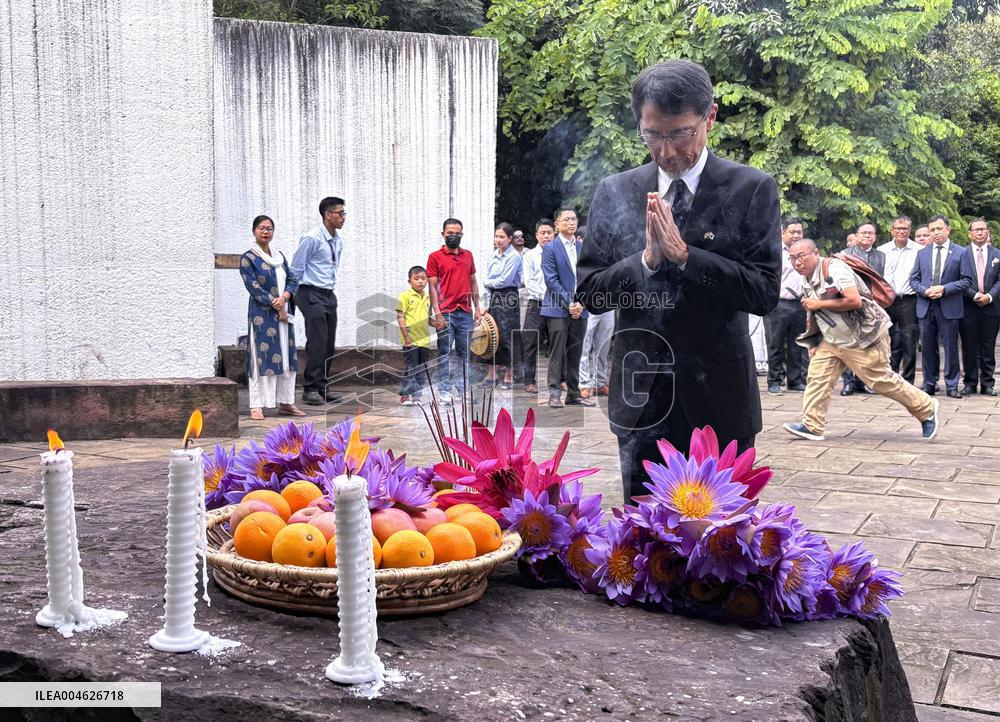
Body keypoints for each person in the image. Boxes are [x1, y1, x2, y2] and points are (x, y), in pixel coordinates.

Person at [576, 59, 781, 503]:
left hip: (719, 397)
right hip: (642, 397)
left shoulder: (751, 189)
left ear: (710, 116)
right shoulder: (617, 190)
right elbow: (590, 293)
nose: (666, 152)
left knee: (725, 545)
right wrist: (645, 262)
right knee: (644, 542)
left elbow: (764, 292)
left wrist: (688, 258)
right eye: (653, 135)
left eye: (680, 134)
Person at [782, 239, 937, 441]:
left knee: (881, 381)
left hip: (862, 335)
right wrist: (814, 340)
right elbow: (814, 310)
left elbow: (853, 301)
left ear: (816, 253)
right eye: (792, 258)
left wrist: (818, 303)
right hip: (832, 339)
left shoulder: (834, 269)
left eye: (801, 256)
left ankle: (926, 408)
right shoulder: (806, 278)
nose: (797, 262)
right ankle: (812, 425)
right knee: (818, 378)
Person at [240, 215, 304, 420]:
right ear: (254, 231)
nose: (266, 232)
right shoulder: (248, 258)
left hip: (284, 314)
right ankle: (257, 405)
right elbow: (252, 286)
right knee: (261, 359)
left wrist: (284, 298)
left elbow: (293, 279)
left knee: (286, 357)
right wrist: (273, 302)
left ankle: (286, 402)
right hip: (262, 315)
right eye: (261, 228)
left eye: (269, 228)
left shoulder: (279, 256)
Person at [290, 197, 345, 406]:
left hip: (328, 293)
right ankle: (310, 389)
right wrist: (290, 295)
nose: (343, 218)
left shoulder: (337, 240)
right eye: (340, 213)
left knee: (328, 344)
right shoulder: (312, 238)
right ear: (327, 214)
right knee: (318, 341)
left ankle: (323, 386)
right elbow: (296, 268)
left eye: (343, 213)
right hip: (309, 292)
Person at [910, 215, 972, 398]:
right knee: (928, 347)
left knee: (951, 347)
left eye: (939, 229)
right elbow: (913, 279)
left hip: (949, 305)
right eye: (932, 230)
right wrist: (924, 291)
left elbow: (966, 280)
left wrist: (944, 289)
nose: (936, 233)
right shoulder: (922, 253)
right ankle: (929, 383)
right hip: (926, 305)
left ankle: (952, 385)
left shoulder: (961, 252)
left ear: (948, 229)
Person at [542, 208, 596, 408]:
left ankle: (573, 394)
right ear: (557, 224)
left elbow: (590, 278)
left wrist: (581, 303)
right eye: (567, 220)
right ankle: (554, 393)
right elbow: (551, 280)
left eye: (574, 219)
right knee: (558, 352)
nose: (571, 223)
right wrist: (569, 303)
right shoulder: (550, 248)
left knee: (576, 351)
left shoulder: (583, 247)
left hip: (581, 308)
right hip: (557, 308)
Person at [427, 218, 480, 405]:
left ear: (462, 235)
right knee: (444, 353)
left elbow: (473, 282)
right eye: (450, 233)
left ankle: (463, 389)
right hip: (446, 312)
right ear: (443, 234)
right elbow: (432, 287)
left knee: (465, 353)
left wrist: (477, 309)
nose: (453, 236)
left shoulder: (468, 256)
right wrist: (437, 313)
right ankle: (444, 391)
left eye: (457, 233)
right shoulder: (435, 257)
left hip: (465, 312)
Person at [839, 222, 886, 396]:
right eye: (863, 233)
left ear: (875, 236)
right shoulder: (845, 255)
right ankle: (848, 382)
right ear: (856, 235)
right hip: (850, 304)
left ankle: (865, 381)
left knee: (868, 345)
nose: (867, 236)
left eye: (870, 233)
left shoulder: (881, 255)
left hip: (872, 306)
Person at [764, 217, 808, 395]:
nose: (796, 235)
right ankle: (774, 380)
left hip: (800, 303)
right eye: (792, 232)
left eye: (799, 231)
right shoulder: (774, 251)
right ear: (783, 232)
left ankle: (795, 380)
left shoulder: (807, 251)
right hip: (778, 304)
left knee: (797, 344)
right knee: (775, 344)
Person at [877, 215, 921, 384]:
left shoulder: (919, 250)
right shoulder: (882, 250)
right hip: (886, 301)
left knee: (909, 340)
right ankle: (888, 377)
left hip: (908, 300)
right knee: (885, 340)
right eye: (898, 228)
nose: (901, 231)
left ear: (910, 230)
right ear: (892, 230)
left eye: (905, 228)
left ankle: (908, 379)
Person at [959, 218, 1000, 396]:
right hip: (968, 305)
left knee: (988, 346)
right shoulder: (962, 254)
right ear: (970, 234)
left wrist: (989, 296)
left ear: (988, 232)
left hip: (991, 306)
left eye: (983, 229)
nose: (980, 233)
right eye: (976, 230)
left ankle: (987, 383)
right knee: (968, 346)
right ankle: (969, 382)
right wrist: (975, 295)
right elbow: (958, 279)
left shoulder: (997, 253)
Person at [482, 223, 523, 389]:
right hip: (493, 297)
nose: (498, 240)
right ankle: (491, 376)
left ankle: (508, 376)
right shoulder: (493, 256)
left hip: (509, 296)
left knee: (508, 336)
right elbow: (488, 282)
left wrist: (488, 282)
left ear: (510, 239)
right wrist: (484, 304)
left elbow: (504, 280)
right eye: (496, 236)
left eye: (502, 237)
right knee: (492, 335)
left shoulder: (514, 257)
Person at [520, 219, 554, 394]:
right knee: (530, 342)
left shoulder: (559, 254)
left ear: (554, 233)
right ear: (537, 235)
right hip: (537, 305)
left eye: (549, 232)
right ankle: (529, 381)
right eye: (543, 233)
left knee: (558, 343)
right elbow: (529, 282)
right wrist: (550, 295)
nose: (546, 236)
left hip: (557, 305)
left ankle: (558, 380)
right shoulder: (530, 256)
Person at [396, 265, 432, 406]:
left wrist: (437, 324)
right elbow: (400, 316)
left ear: (427, 280)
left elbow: (427, 319)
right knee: (411, 367)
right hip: (410, 340)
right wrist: (406, 337)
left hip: (424, 341)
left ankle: (417, 396)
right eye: (416, 278)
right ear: (409, 281)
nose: (420, 281)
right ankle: (405, 396)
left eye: (423, 278)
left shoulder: (428, 297)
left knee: (422, 369)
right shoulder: (404, 296)